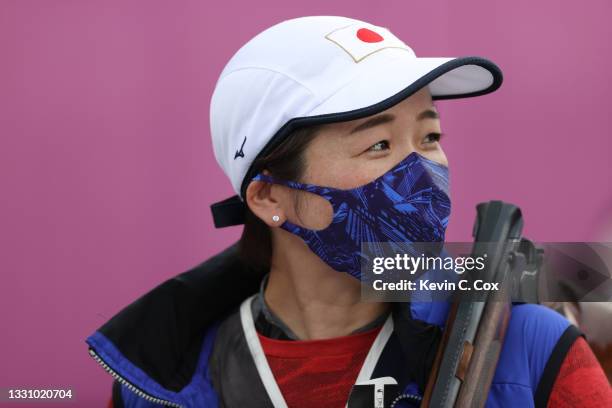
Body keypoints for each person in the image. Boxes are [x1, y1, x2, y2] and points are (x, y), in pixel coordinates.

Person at [86, 16, 611, 407]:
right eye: (378, 145)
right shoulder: (160, 380)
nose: (423, 173)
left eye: (429, 136)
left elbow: (590, 276)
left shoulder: (528, 345)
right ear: (269, 197)